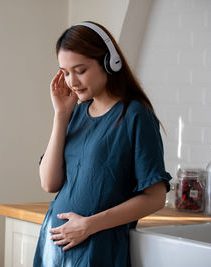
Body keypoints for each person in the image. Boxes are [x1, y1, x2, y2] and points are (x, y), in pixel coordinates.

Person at [33, 21, 172, 267]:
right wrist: (61, 116)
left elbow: (155, 197)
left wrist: (89, 225)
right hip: (53, 250)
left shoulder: (134, 114)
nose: (71, 81)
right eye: (65, 72)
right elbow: (49, 182)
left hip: (98, 250)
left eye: (80, 70)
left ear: (110, 63)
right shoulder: (74, 114)